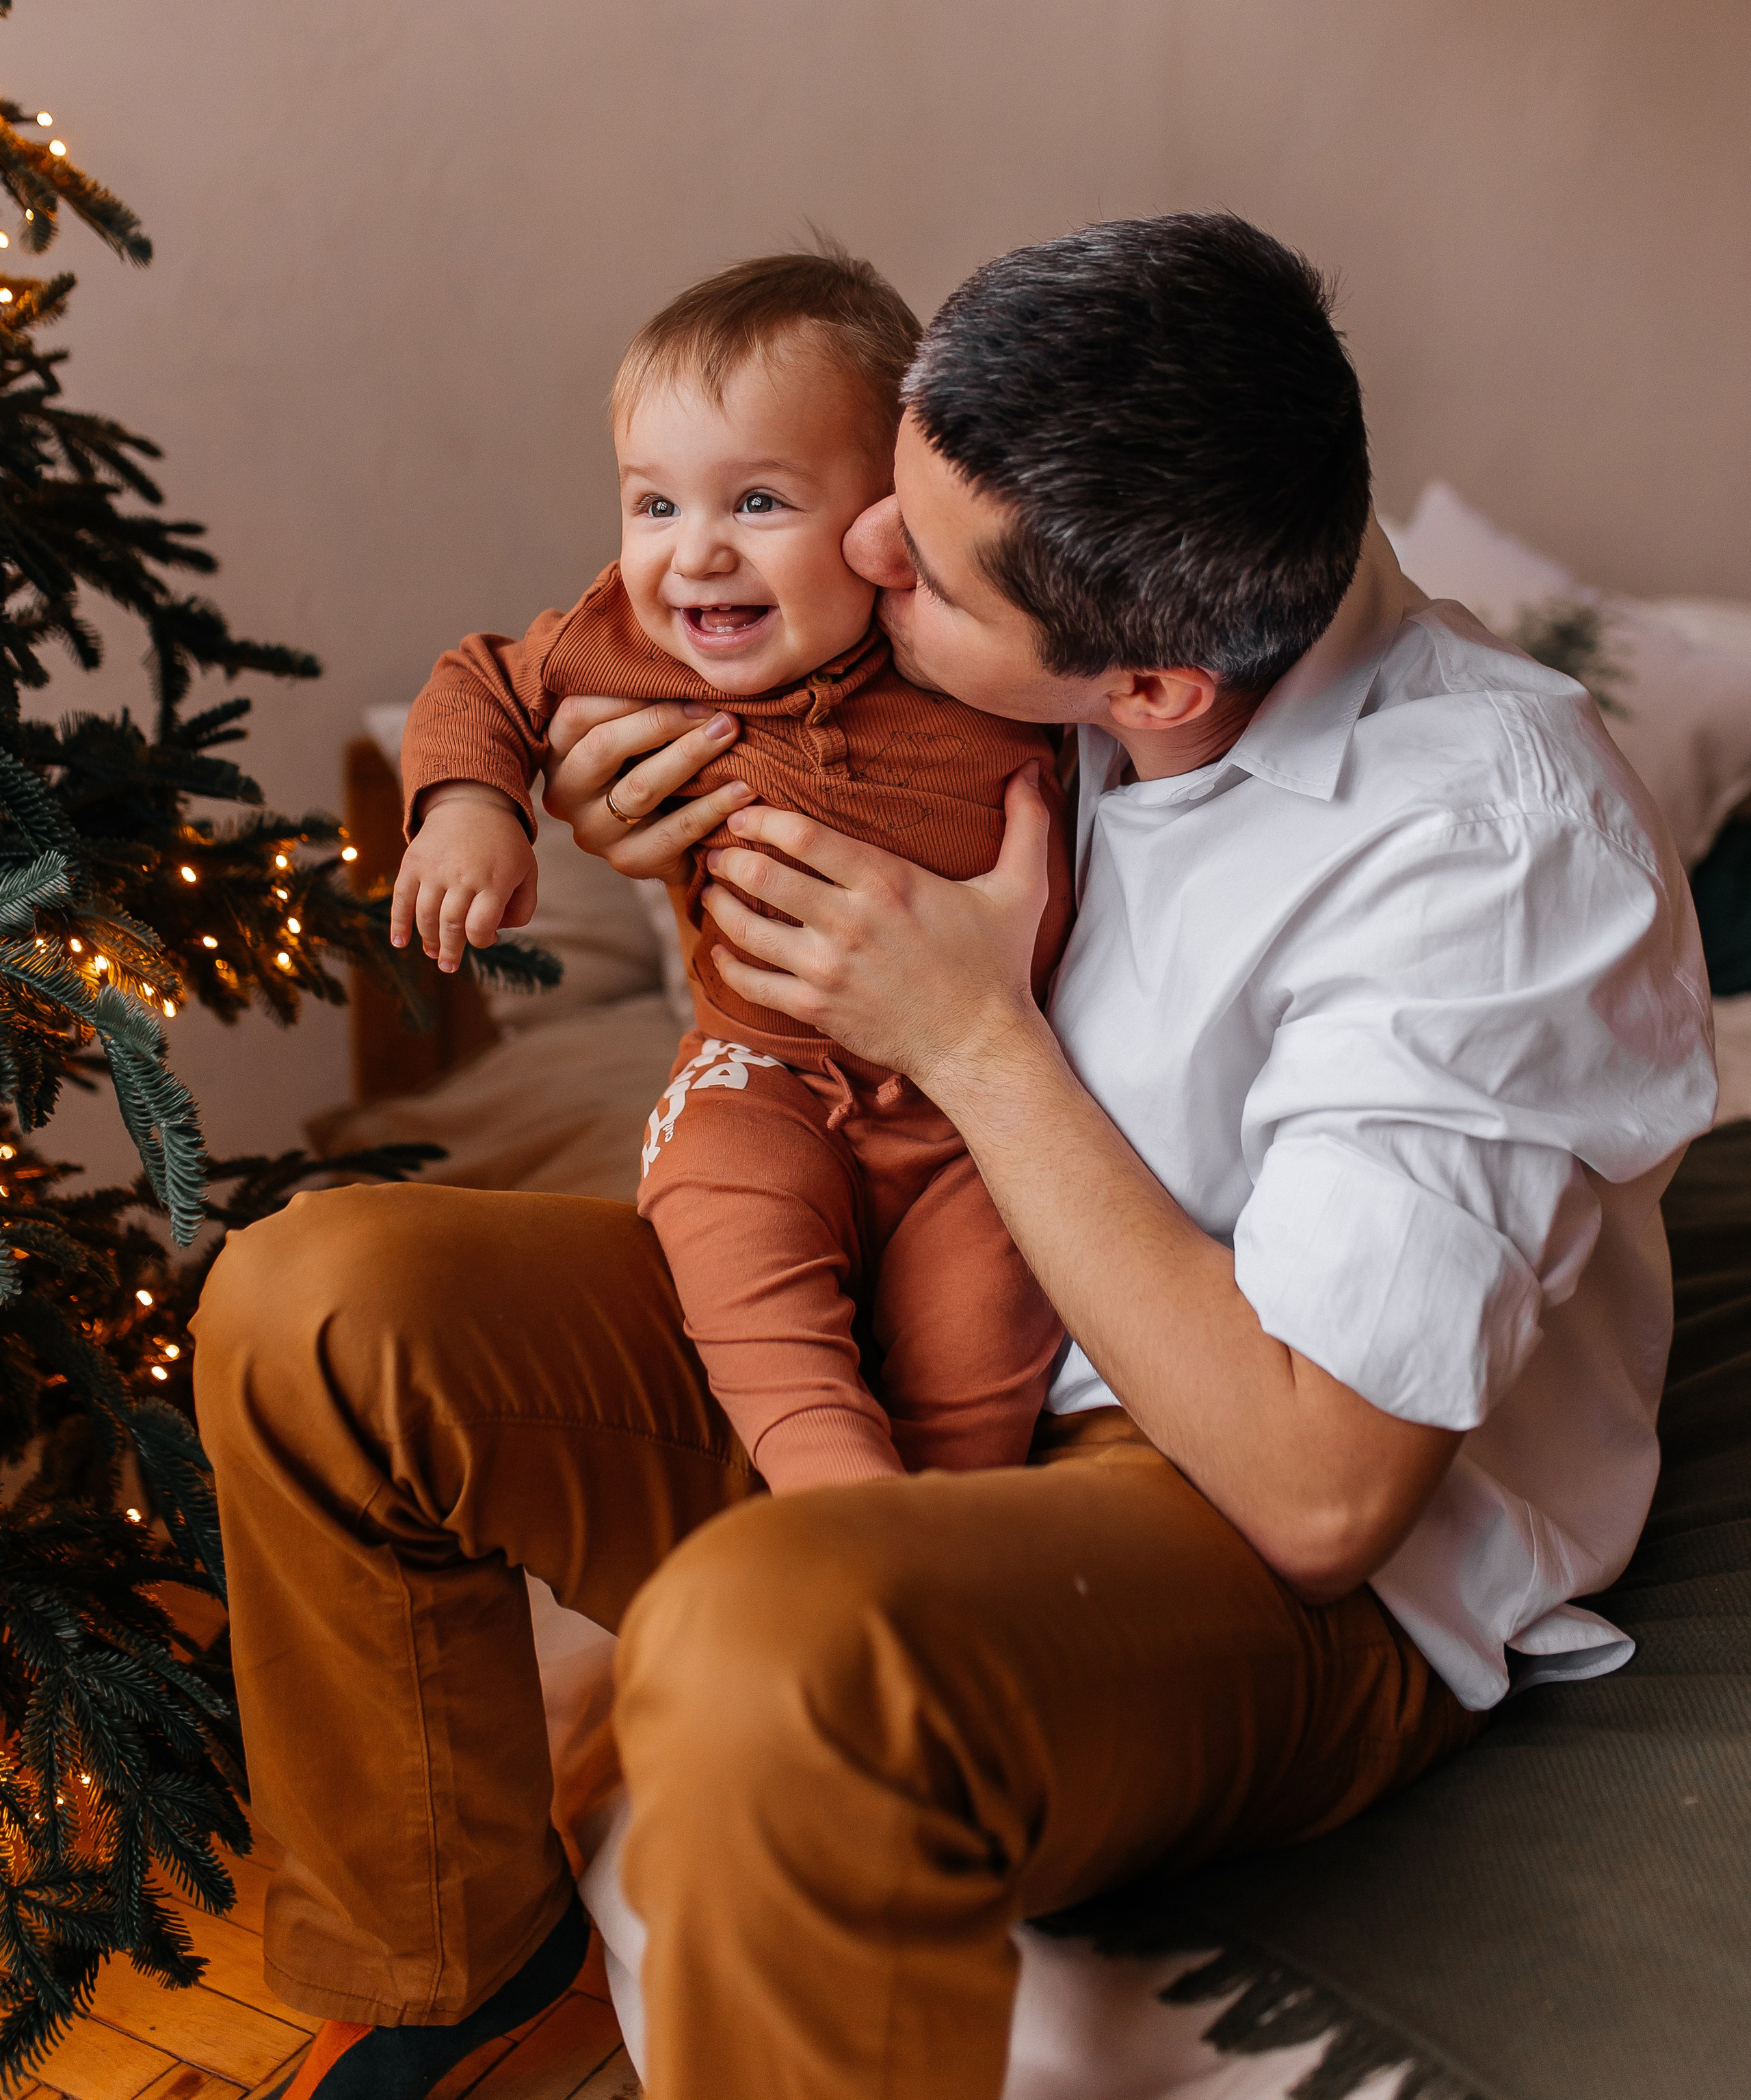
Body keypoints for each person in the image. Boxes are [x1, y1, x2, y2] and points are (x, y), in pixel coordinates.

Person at [197, 213, 1715, 2100]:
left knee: (777, 1643)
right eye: (890, 490)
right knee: (319, 1297)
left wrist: (971, 1040)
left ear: (1146, 686)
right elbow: (689, 625)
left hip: (1256, 1533)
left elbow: (1324, 1491)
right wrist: (642, 766)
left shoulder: (1487, 850)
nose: (857, 554)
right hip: (914, 1333)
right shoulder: (1097, 548)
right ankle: (456, 1971)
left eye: (915, 568)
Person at [391, 245, 1068, 1492]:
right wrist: (471, 808)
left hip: (979, 1109)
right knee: (718, 1187)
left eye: (758, 502)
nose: (694, 553)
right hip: (766, 1062)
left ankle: (951, 1538)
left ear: (889, 521)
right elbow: (483, 680)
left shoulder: (972, 646)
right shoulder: (631, 646)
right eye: (655, 505)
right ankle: (826, 1480)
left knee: (1000, 1293)